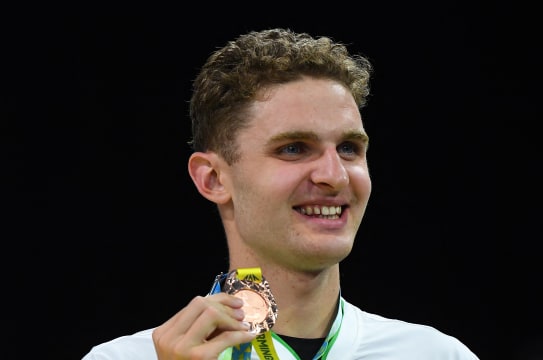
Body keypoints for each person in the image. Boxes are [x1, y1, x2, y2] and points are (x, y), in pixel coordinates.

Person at [82, 28, 480, 360]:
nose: (334, 175)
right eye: (293, 148)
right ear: (213, 179)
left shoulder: (437, 354)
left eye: (348, 149)